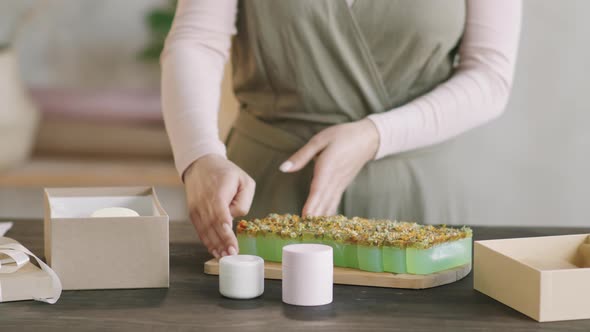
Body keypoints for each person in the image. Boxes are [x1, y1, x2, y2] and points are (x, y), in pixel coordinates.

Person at [161, 0, 522, 258]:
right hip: (266, 193)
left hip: (415, 197)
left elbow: (489, 74)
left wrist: (377, 134)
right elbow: (197, 40)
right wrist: (200, 154)